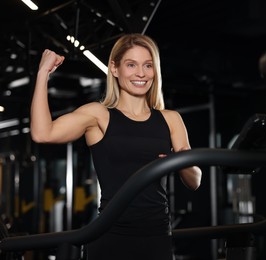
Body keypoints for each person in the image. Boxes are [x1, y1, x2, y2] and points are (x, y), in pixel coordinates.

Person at [30, 33, 202, 260]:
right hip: (112, 235)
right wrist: (43, 74)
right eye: (131, 65)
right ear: (114, 68)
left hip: (158, 235)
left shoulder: (170, 119)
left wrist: (177, 160)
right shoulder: (99, 115)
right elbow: (43, 134)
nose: (141, 73)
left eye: (148, 65)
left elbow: (195, 181)